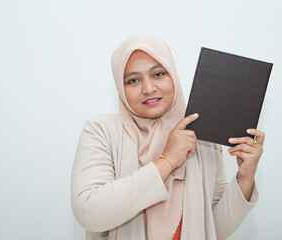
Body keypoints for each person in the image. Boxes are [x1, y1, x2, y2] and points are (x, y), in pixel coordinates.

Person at [71, 35, 264, 240]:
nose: (148, 88)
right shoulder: (101, 131)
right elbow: (89, 212)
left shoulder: (200, 137)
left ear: (173, 75)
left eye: (158, 74)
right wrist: (168, 161)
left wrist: (245, 177)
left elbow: (213, 228)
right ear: (121, 87)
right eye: (133, 80)